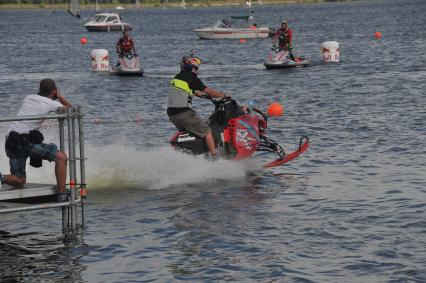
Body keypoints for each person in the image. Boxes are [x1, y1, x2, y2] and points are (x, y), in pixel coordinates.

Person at [0, 78, 72, 202]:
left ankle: (1, 177)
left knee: (19, 180)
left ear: (40, 89)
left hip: (11, 141)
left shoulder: (28, 97)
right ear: (54, 91)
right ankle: (61, 194)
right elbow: (70, 109)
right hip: (23, 141)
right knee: (61, 157)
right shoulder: (52, 103)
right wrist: (59, 97)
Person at [167, 55, 228, 160]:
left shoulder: (178, 77)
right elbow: (210, 92)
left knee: (193, 135)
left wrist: (204, 96)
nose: (198, 71)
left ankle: (191, 158)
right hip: (184, 113)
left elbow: (194, 91)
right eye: (197, 68)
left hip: (172, 115)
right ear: (193, 68)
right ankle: (215, 159)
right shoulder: (192, 78)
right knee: (207, 132)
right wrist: (223, 95)